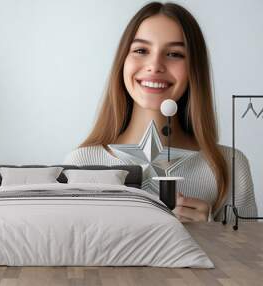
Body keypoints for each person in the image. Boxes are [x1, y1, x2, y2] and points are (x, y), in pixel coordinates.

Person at [63, 2, 257, 222]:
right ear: (122, 62)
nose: (155, 65)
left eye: (174, 54)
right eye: (141, 50)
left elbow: (250, 255)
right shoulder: (82, 162)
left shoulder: (230, 165)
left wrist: (212, 235)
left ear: (194, 68)